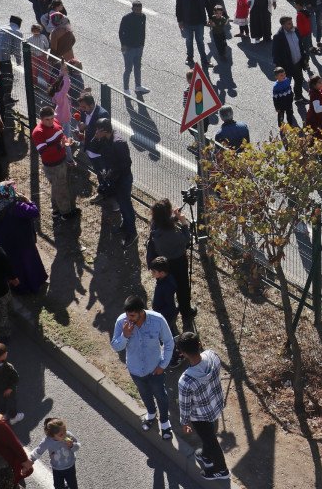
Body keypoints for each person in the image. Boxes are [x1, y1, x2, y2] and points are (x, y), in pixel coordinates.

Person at [112, 295, 176, 439]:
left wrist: (163, 365)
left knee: (161, 396)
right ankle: (151, 414)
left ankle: (165, 422)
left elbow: (169, 342)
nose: (129, 318)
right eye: (128, 315)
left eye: (132, 315)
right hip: (135, 370)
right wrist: (125, 335)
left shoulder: (157, 320)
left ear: (141, 312)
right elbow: (115, 346)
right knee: (145, 394)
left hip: (155, 369)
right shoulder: (122, 321)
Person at [175, 332, 229, 480]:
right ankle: (205, 455)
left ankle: (221, 470)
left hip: (200, 415)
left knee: (210, 440)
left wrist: (184, 422)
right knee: (208, 435)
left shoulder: (186, 381)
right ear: (199, 344)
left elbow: (185, 406)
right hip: (216, 404)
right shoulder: (213, 355)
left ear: (183, 354)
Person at [0, 181, 49, 295]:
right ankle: (33, 285)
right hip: (21, 239)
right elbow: (34, 212)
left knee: (16, 264)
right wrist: (28, 201)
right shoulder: (16, 206)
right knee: (29, 263)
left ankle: (19, 288)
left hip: (5, 240)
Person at [146, 199, 196, 332]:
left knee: (167, 289)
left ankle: (170, 311)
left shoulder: (155, 225)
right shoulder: (172, 233)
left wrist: (174, 218)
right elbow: (186, 238)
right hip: (178, 262)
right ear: (167, 214)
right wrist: (183, 221)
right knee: (182, 288)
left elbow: (164, 223)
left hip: (163, 264)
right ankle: (186, 313)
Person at [90, 118, 138, 247]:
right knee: (122, 204)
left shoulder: (118, 143)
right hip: (115, 178)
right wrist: (96, 137)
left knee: (126, 205)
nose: (96, 132)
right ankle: (125, 224)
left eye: (97, 130)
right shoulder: (104, 138)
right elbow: (92, 148)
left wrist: (111, 173)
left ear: (104, 130)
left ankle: (132, 233)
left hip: (123, 180)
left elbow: (126, 164)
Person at [31, 107, 77, 223]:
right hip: (53, 166)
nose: (51, 121)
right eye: (47, 119)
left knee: (57, 187)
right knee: (61, 188)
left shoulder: (55, 122)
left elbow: (62, 136)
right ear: (41, 119)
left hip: (61, 161)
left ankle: (56, 210)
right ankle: (66, 213)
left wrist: (67, 141)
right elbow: (43, 152)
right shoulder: (38, 132)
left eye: (52, 118)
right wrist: (59, 146)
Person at [30, 417, 81, 489]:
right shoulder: (48, 441)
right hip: (57, 469)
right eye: (61, 435)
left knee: (73, 485)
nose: (64, 435)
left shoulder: (68, 435)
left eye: (65, 431)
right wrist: (31, 459)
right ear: (52, 435)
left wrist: (72, 445)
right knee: (58, 486)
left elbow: (78, 446)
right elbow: (39, 450)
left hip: (70, 466)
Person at [177, 0, 209, 68]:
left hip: (199, 22)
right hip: (187, 23)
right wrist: (180, 21)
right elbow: (178, 7)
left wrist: (211, 17)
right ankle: (190, 58)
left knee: (200, 41)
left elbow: (208, 5)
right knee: (189, 41)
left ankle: (204, 60)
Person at [272, 16, 307, 99]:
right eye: (289, 23)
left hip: (298, 62)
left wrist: (304, 57)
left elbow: (300, 45)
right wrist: (279, 67)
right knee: (286, 83)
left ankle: (298, 97)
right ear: (283, 25)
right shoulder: (278, 37)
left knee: (299, 80)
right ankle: (287, 98)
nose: (291, 25)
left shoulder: (296, 30)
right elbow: (275, 53)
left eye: (291, 23)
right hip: (287, 65)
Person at [119, 0, 149, 95]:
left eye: (139, 9)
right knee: (128, 69)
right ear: (132, 9)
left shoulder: (143, 16)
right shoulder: (126, 18)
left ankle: (138, 86)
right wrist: (123, 45)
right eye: (136, 9)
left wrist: (142, 44)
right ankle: (126, 89)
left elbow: (143, 31)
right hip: (128, 48)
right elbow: (121, 32)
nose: (138, 11)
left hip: (139, 47)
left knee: (138, 67)